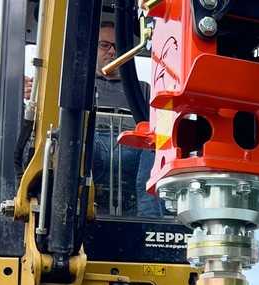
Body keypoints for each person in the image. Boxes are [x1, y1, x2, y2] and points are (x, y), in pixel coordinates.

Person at [25, 20, 163, 218]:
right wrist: (34, 97)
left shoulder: (142, 89)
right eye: (105, 45)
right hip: (92, 147)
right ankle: (68, 211)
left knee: (156, 143)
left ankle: (150, 220)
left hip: (133, 152)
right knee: (76, 139)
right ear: (91, 49)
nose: (112, 52)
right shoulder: (75, 87)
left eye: (118, 47)